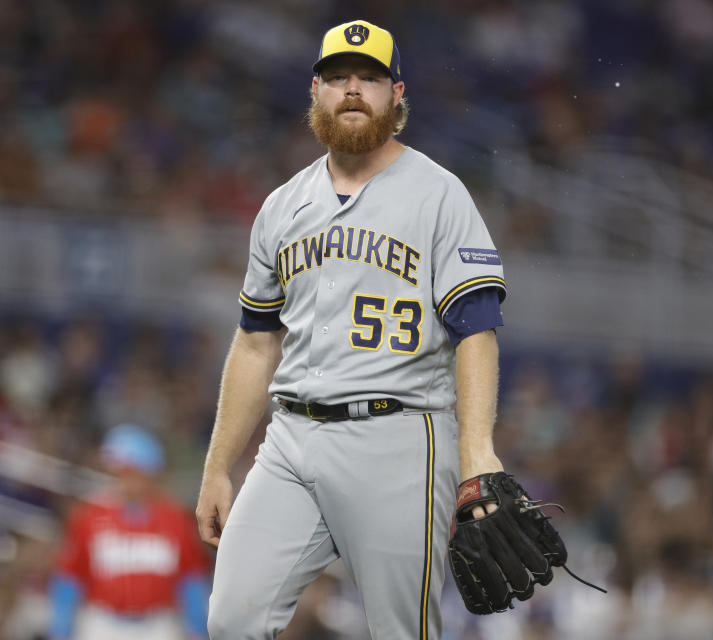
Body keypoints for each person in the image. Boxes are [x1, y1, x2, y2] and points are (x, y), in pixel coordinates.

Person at [196, 19, 508, 639]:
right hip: (290, 441)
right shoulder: (283, 205)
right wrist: (217, 467)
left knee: (401, 631)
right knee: (232, 620)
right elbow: (257, 341)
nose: (353, 89)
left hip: (399, 437)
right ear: (315, 90)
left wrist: (477, 453)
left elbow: (477, 331)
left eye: (370, 77)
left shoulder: (440, 195)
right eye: (339, 77)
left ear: (397, 93)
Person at [48, 424, 210, 640]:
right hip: (102, 623)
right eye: (118, 473)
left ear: (151, 473)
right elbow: (69, 578)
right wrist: (61, 629)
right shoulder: (89, 516)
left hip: (158, 624)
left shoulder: (175, 518)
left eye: (131, 472)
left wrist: (197, 628)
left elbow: (192, 580)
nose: (124, 481)